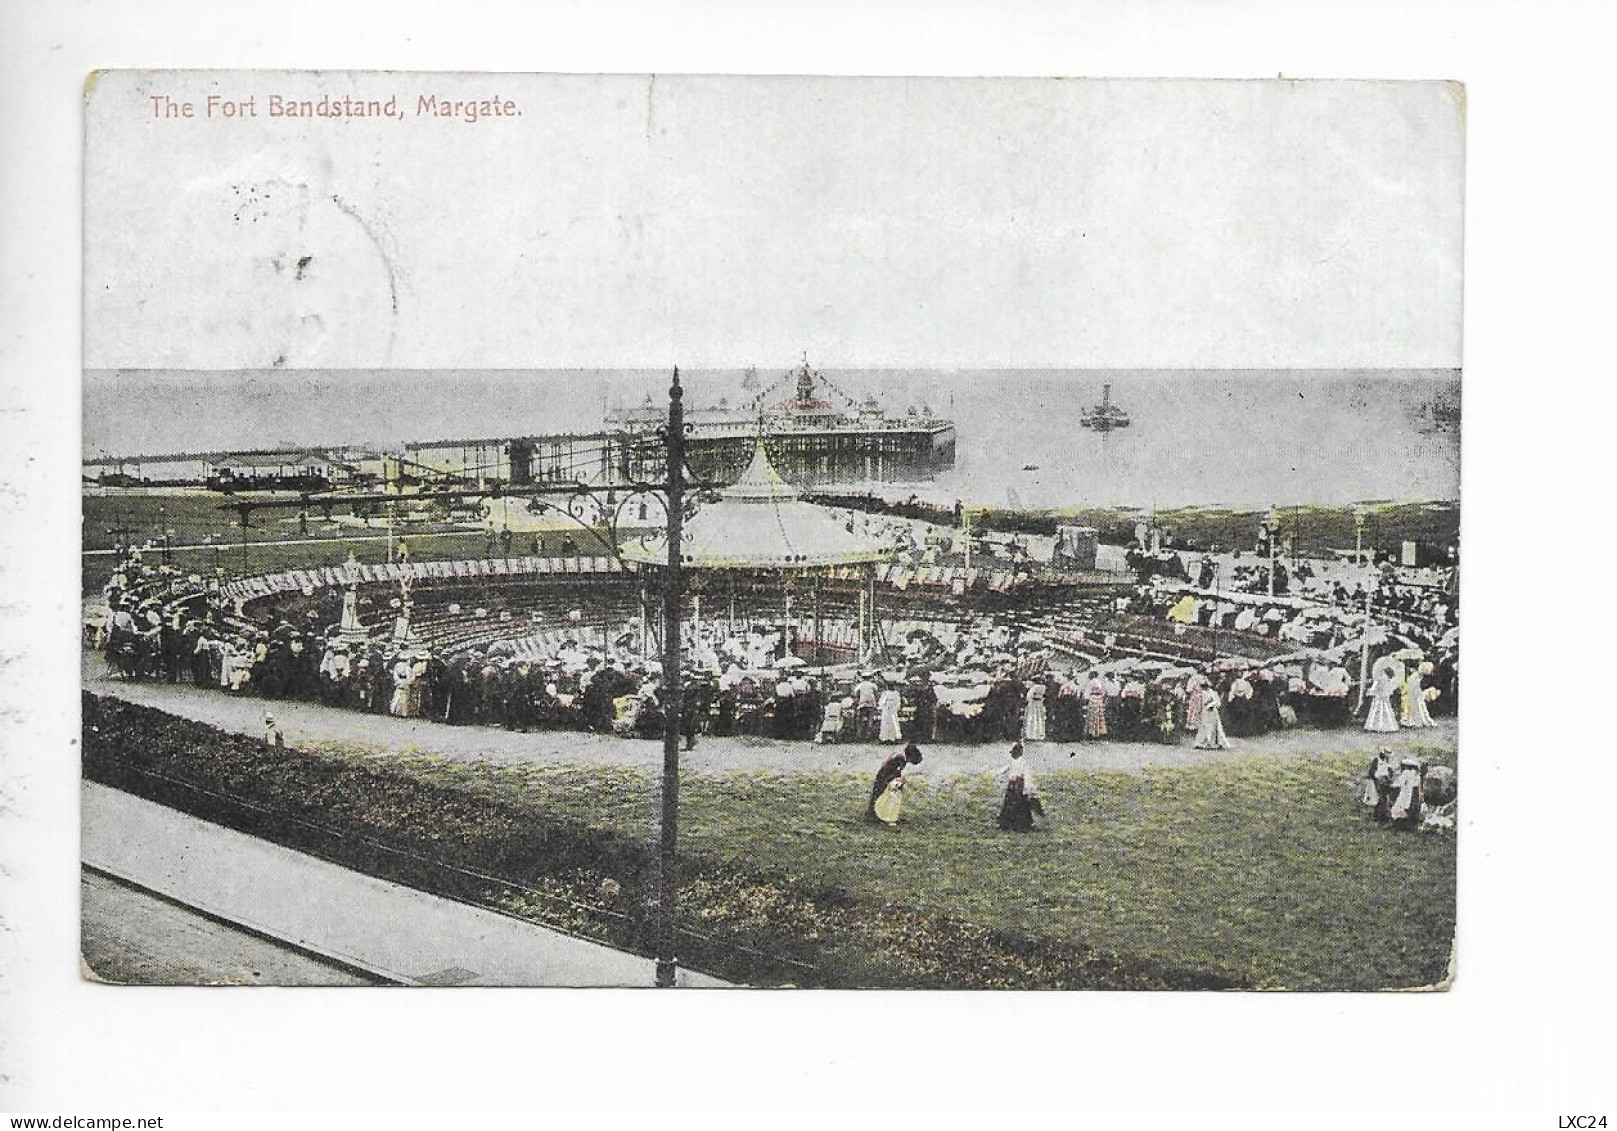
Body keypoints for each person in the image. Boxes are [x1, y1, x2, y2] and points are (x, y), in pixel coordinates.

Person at [995, 741, 1045, 831]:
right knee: (1009, 804)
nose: (1012, 754)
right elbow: (1005, 770)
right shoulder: (1013, 762)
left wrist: (1026, 788)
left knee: (1020, 805)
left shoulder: (1022, 762)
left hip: (1019, 786)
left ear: (1018, 752)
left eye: (1014, 752)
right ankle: (1007, 823)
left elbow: (1025, 775)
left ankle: (1021, 824)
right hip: (1012, 786)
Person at [868, 743, 923, 824]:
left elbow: (896, 772)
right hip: (884, 778)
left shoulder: (900, 757)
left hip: (884, 777)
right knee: (880, 796)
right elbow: (894, 772)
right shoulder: (900, 759)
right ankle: (875, 814)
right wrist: (896, 782)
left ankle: (878, 813)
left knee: (881, 796)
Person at [1365, 658, 1402, 733]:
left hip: (1379, 697)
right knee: (1386, 710)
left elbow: (1374, 688)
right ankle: (1387, 726)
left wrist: (1371, 692)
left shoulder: (1378, 679)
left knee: (1377, 711)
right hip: (1384, 697)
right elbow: (1389, 689)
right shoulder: (1389, 680)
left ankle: (1376, 726)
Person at [1193, 680, 1231, 750]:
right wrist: (1198, 711)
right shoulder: (1201, 693)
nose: (1203, 688)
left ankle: (1213, 743)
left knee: (1213, 727)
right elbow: (1200, 704)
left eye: (1204, 686)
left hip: (1212, 712)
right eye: (1202, 686)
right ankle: (1201, 743)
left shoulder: (1213, 693)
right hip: (1205, 713)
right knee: (1204, 727)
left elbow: (1218, 703)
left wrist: (1210, 705)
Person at [1389, 756, 1425, 829]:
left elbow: (1400, 782)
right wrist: (1420, 794)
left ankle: (1401, 824)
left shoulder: (1406, 773)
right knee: (1411, 808)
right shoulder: (1417, 774)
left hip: (1406, 792)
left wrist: (1391, 785)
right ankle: (1410, 824)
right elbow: (1419, 785)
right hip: (1414, 793)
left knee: (1400, 806)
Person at [1401, 660, 1438, 728]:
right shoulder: (1415, 676)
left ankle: (1417, 720)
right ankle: (1415, 721)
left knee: (1419, 705)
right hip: (1413, 693)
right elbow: (1413, 687)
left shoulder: (1418, 675)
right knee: (1416, 705)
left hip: (1415, 693)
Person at [1362, 747, 1394, 822]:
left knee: (1384, 798)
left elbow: (1389, 771)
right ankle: (1378, 816)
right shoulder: (1376, 760)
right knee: (1378, 798)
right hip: (1376, 781)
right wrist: (1378, 779)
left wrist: (1388, 778)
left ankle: (1383, 815)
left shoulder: (1387, 762)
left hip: (1384, 781)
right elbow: (1372, 772)